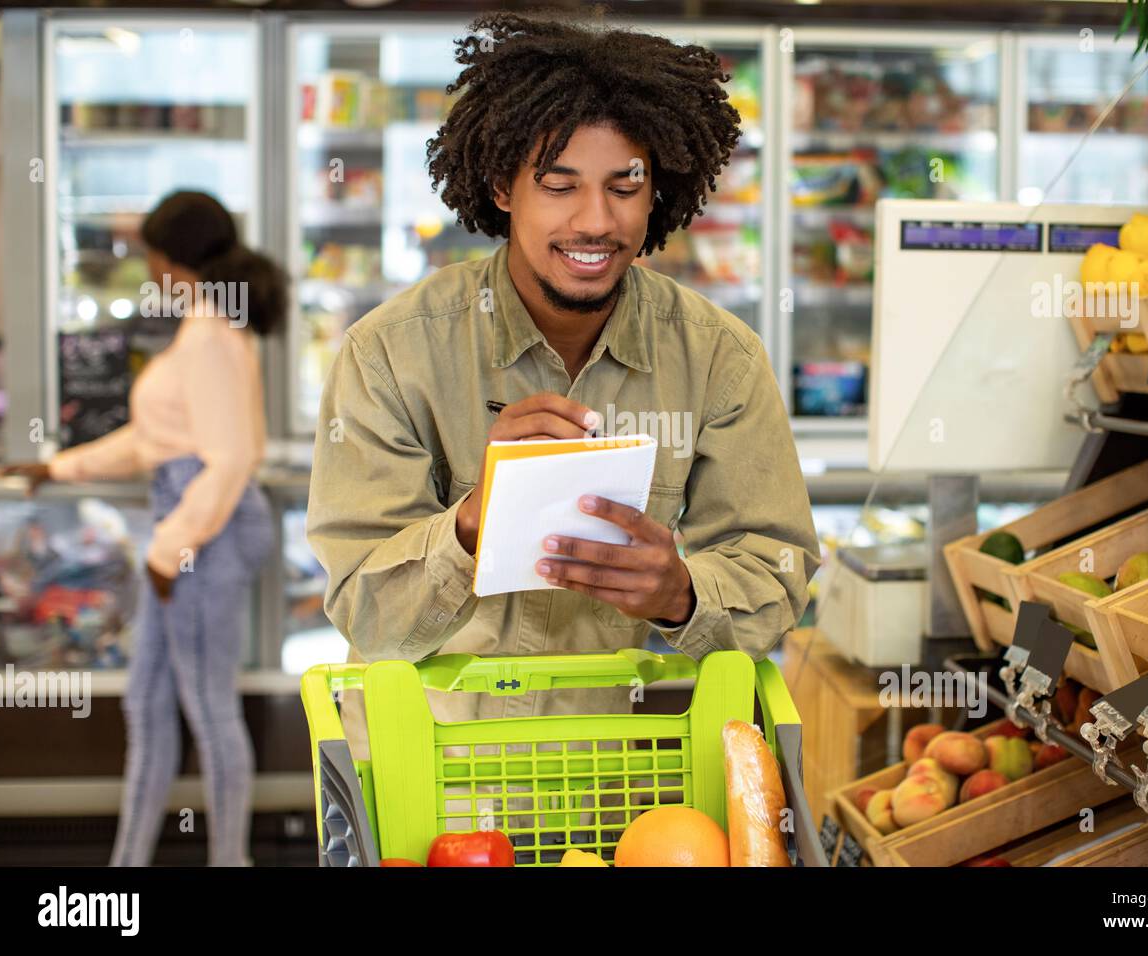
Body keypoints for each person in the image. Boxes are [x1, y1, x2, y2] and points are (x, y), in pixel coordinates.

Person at [306, 13, 821, 747]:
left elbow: (776, 577)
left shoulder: (718, 358)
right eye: (559, 185)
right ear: (503, 187)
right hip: (415, 774)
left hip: (607, 787)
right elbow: (363, 608)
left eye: (624, 187)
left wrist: (680, 596)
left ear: (656, 193)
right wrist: (471, 520)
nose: (595, 221)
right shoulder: (391, 352)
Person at [0, 190, 283, 866]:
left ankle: (229, 860)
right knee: (148, 702)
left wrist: (168, 551)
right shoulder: (202, 330)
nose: (144, 265)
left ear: (169, 259)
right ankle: (127, 865)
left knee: (206, 711)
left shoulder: (211, 334)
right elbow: (155, 440)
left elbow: (231, 458)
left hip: (197, 535)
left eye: (147, 252)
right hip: (184, 531)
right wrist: (58, 467)